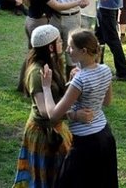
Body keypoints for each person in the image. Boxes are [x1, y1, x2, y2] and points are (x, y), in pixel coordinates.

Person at [13, 25, 93, 188]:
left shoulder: (54, 62)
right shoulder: (37, 72)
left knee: (62, 174)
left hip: (57, 129)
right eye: (59, 41)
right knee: (46, 180)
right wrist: (75, 115)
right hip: (43, 134)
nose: (62, 43)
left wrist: (70, 81)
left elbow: (56, 96)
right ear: (50, 47)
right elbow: (44, 110)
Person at [40, 30, 117, 187]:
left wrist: (46, 88)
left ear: (83, 51)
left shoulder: (80, 80)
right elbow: (107, 102)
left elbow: (53, 115)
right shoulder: (105, 70)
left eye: (71, 47)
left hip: (85, 143)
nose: (68, 50)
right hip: (105, 136)